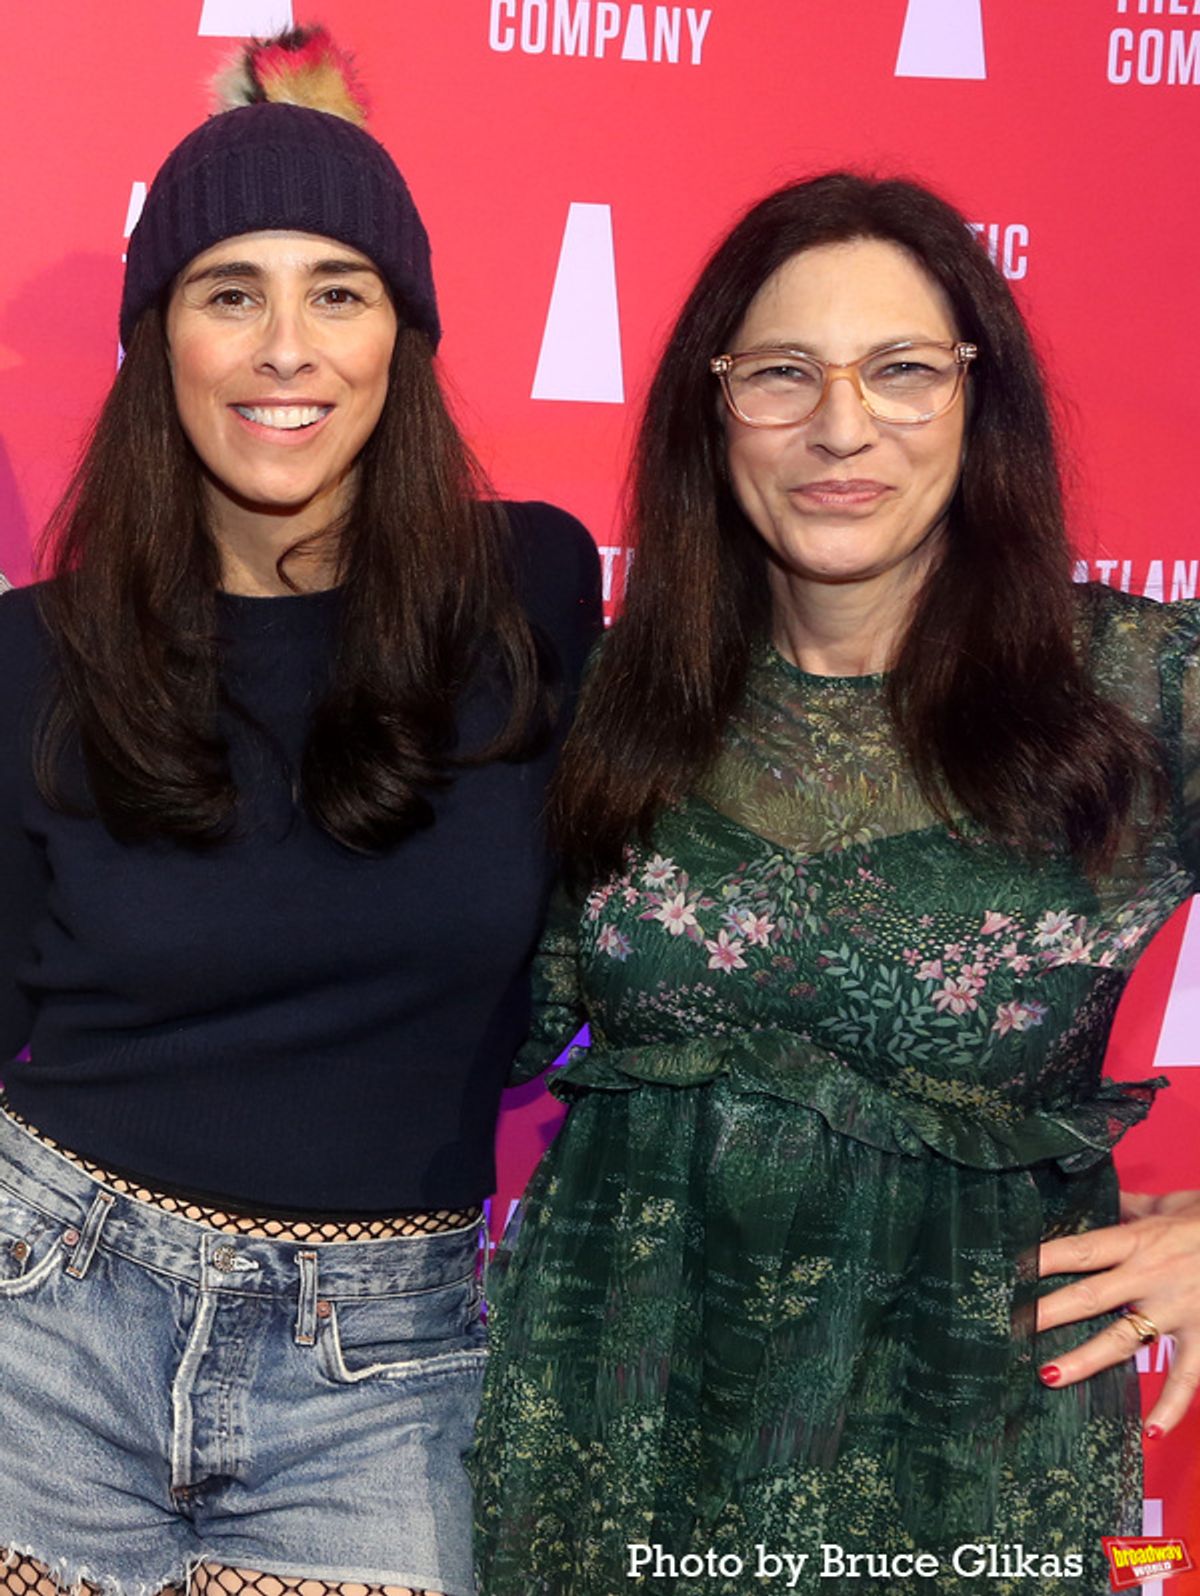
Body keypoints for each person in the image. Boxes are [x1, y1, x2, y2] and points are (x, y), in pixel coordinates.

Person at [470, 172, 1200, 1593]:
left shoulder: (1134, 691)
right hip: (599, 1452)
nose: (842, 427)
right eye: (785, 375)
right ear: (713, 405)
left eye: (904, 372)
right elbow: (435, 1025)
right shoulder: (610, 697)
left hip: (966, 1465)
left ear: (979, 402)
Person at [0, 27, 600, 1596]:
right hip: (42, 1315)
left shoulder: (530, 593)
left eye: (338, 291)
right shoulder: (30, 655)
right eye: (228, 293)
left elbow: (735, 904)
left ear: (402, 334)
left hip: (387, 1378)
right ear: (159, 340)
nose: (287, 348)